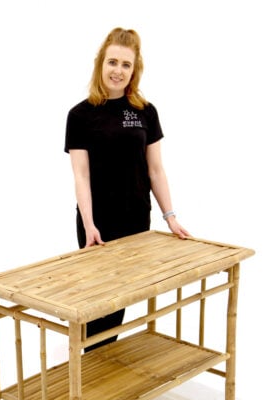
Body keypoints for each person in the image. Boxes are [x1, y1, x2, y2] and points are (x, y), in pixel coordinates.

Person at [64, 27, 190, 350]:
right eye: (112, 62)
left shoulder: (145, 112)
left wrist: (170, 217)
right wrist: (89, 224)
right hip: (97, 223)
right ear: (100, 64)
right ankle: (90, 364)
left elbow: (155, 170)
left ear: (134, 70)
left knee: (119, 301)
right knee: (96, 301)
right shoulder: (80, 115)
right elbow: (81, 176)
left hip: (135, 220)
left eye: (125, 64)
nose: (118, 71)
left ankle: (101, 363)